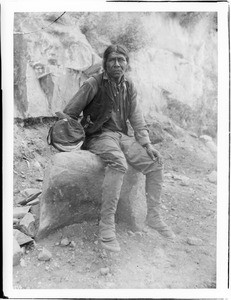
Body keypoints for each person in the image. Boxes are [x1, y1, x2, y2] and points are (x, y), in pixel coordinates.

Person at [63, 44, 175, 252]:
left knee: (155, 164)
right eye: (112, 60)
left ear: (127, 64)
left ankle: (153, 216)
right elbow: (69, 112)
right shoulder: (93, 83)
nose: (117, 64)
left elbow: (137, 118)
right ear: (105, 63)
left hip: (122, 136)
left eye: (121, 60)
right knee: (118, 162)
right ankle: (106, 224)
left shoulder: (128, 86)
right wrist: (73, 137)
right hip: (98, 136)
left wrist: (147, 144)